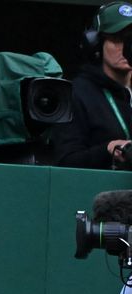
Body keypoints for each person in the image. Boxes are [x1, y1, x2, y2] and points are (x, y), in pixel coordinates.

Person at [54, 2, 132, 169]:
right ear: (96, 44)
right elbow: (66, 161)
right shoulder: (77, 94)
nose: (126, 48)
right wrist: (108, 150)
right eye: (118, 39)